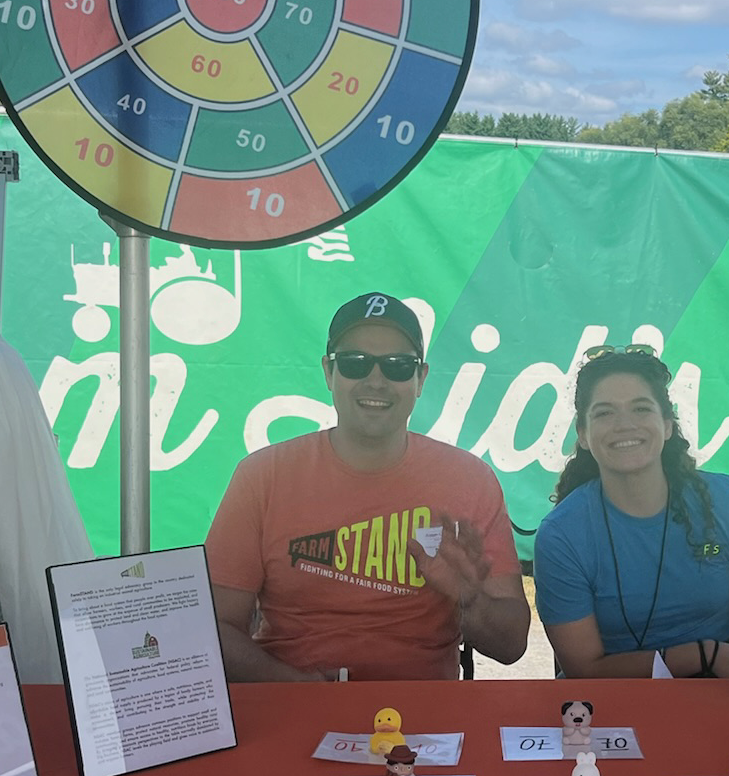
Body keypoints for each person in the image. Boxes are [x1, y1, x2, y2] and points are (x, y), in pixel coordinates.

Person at [207, 292, 530, 682]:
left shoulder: (469, 480)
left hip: (425, 720)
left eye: (397, 366)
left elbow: (511, 647)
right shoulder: (262, 476)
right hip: (291, 705)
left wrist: (467, 601)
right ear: (329, 372)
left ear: (420, 378)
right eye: (355, 363)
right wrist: (297, 688)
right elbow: (213, 630)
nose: (376, 380)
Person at [533, 345, 729, 679]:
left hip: (724, 692)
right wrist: (705, 656)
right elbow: (583, 670)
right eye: (604, 413)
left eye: (641, 409)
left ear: (668, 424)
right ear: (583, 435)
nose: (624, 425)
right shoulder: (561, 534)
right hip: (610, 705)